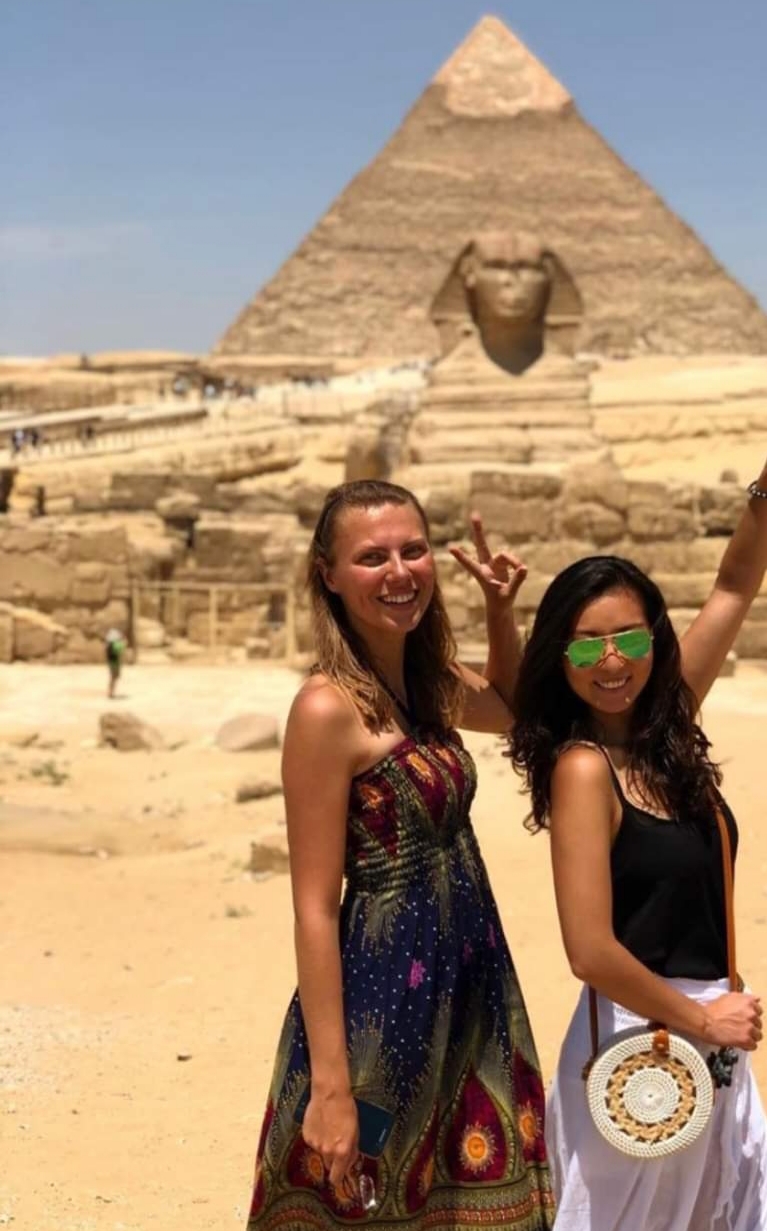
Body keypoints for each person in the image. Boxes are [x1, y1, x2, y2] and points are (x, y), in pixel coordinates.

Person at [507, 357, 767, 1230]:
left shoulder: (668, 728)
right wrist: (701, 1018)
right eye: (585, 647)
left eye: (630, 640)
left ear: (655, 640)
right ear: (559, 658)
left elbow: (734, 585)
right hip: (640, 1044)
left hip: (715, 1030)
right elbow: (589, 949)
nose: (611, 662)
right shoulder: (582, 769)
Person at [247, 479, 554, 1231]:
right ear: (327, 574)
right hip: (381, 1002)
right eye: (371, 557)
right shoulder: (327, 709)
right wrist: (331, 1087)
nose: (399, 572)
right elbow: (315, 908)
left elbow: (511, 710)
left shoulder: (427, 679)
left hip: (469, 981)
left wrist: (500, 612)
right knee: (364, 1201)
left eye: (413, 551)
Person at [104, 627, 126, 698]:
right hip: (114, 662)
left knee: (114, 677)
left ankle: (111, 692)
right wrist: (123, 643)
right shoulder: (113, 645)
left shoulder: (109, 645)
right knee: (114, 677)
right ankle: (110, 692)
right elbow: (120, 650)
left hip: (112, 662)